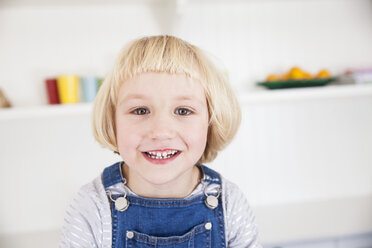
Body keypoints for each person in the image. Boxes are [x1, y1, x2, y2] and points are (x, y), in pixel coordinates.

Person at [60, 35, 262, 248]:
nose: (161, 131)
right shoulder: (92, 207)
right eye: (140, 110)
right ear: (112, 121)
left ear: (211, 122)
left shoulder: (229, 203)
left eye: (183, 111)